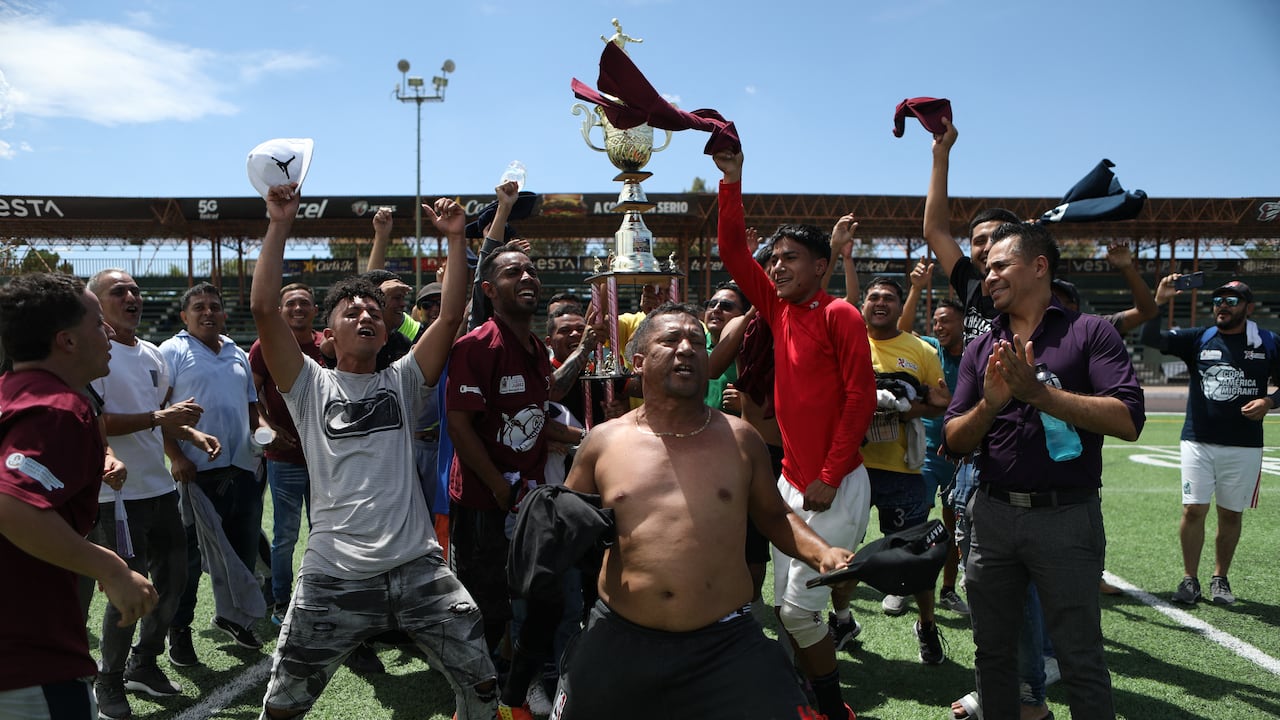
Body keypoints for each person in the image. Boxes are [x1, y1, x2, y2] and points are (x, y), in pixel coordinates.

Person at [252, 183, 497, 719]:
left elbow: (451, 317)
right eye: (350, 311)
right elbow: (264, 308)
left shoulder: (404, 381)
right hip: (333, 574)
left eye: (373, 312)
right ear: (325, 335)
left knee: (481, 688)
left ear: (386, 330)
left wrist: (457, 239)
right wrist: (279, 224)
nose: (365, 316)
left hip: (417, 568)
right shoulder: (307, 385)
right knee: (283, 706)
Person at [556, 302, 853, 719]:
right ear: (637, 362)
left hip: (725, 639)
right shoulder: (603, 442)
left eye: (697, 341)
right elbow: (567, 525)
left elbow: (774, 515)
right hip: (620, 633)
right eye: (670, 339)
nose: (686, 348)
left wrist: (823, 553)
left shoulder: (741, 438)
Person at [945, 222, 1145, 720]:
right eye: (985, 269)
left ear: (1039, 266)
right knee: (992, 653)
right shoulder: (980, 345)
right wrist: (990, 406)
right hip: (990, 515)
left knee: (1079, 656)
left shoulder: (1088, 332)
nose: (988, 277)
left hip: (1066, 517)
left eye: (999, 266)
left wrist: (1040, 394)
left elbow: (1128, 419)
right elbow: (953, 439)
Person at [715, 150, 875, 720]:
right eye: (776, 258)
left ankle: (831, 708)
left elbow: (860, 400)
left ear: (821, 266)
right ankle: (806, 698)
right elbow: (733, 250)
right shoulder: (778, 311)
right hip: (789, 484)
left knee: (797, 612)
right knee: (789, 610)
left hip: (833, 484)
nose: (778, 267)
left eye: (791, 259)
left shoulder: (841, 316)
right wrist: (731, 181)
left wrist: (829, 476)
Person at [0, 273, 157, 720]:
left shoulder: (11, 394)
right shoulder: (58, 409)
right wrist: (110, 567)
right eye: (95, 324)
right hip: (26, 660)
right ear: (67, 341)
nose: (107, 333)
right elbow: (11, 501)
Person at [446, 244, 587, 719]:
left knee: (541, 596)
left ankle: (527, 686)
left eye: (530, 269)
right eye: (511, 272)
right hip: (485, 504)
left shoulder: (536, 350)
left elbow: (537, 417)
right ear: (489, 289)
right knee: (486, 608)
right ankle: (476, 699)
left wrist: (589, 438)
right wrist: (500, 488)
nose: (526, 276)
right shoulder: (476, 346)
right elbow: (461, 427)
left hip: (529, 499)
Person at [85, 269, 220, 717]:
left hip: (159, 488)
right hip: (115, 498)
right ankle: (109, 683)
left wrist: (191, 437)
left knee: (176, 582)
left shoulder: (151, 355)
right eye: (118, 291)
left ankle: (144, 664)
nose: (131, 297)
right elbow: (96, 422)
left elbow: (157, 416)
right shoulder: (92, 356)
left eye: (135, 291)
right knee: (128, 589)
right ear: (96, 302)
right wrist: (158, 422)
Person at [1143, 277, 1279, 605]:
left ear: (1249, 308)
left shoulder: (1268, 342)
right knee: (1193, 510)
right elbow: (1150, 338)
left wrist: (1269, 403)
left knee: (1231, 514)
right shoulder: (1198, 338)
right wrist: (1158, 302)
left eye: (1232, 301)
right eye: (1219, 299)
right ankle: (1190, 580)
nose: (1222, 305)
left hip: (1244, 445)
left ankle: (1220, 578)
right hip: (1198, 441)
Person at [160, 283, 268, 652]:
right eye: (199, 307)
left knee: (241, 553)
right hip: (197, 474)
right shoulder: (171, 351)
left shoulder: (237, 351)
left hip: (243, 470)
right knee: (187, 562)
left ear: (224, 314)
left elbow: (252, 410)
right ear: (184, 317)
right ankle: (180, 629)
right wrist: (176, 456)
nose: (208, 312)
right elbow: (158, 413)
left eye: (215, 307)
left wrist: (266, 432)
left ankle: (235, 620)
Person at [857, 276, 950, 663]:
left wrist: (903, 408)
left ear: (900, 306)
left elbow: (941, 400)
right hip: (851, 469)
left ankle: (927, 626)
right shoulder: (847, 340)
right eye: (873, 296)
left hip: (904, 470)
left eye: (889, 298)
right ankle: (842, 618)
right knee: (840, 549)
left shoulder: (921, 350)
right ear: (862, 303)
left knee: (913, 554)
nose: (880, 302)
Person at [248, 282, 326, 627]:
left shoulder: (328, 345)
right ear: (280, 310)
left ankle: (324, 596)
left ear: (315, 310)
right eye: (291, 303)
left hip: (326, 458)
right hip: (285, 460)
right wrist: (266, 427)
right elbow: (250, 398)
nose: (297, 309)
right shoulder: (265, 345)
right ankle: (281, 600)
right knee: (285, 537)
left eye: (304, 303)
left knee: (327, 532)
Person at [896, 269, 969, 616]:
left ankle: (949, 590)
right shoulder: (929, 348)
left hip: (961, 454)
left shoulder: (974, 353)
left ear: (963, 323)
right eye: (936, 321)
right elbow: (903, 329)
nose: (939, 327)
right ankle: (903, 587)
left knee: (955, 527)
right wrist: (914, 288)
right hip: (926, 451)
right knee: (917, 522)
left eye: (946, 322)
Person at [702, 281, 750, 409]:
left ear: (743, 316)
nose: (716, 309)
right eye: (711, 305)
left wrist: (747, 404)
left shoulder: (752, 352)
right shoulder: (692, 346)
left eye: (726, 306)